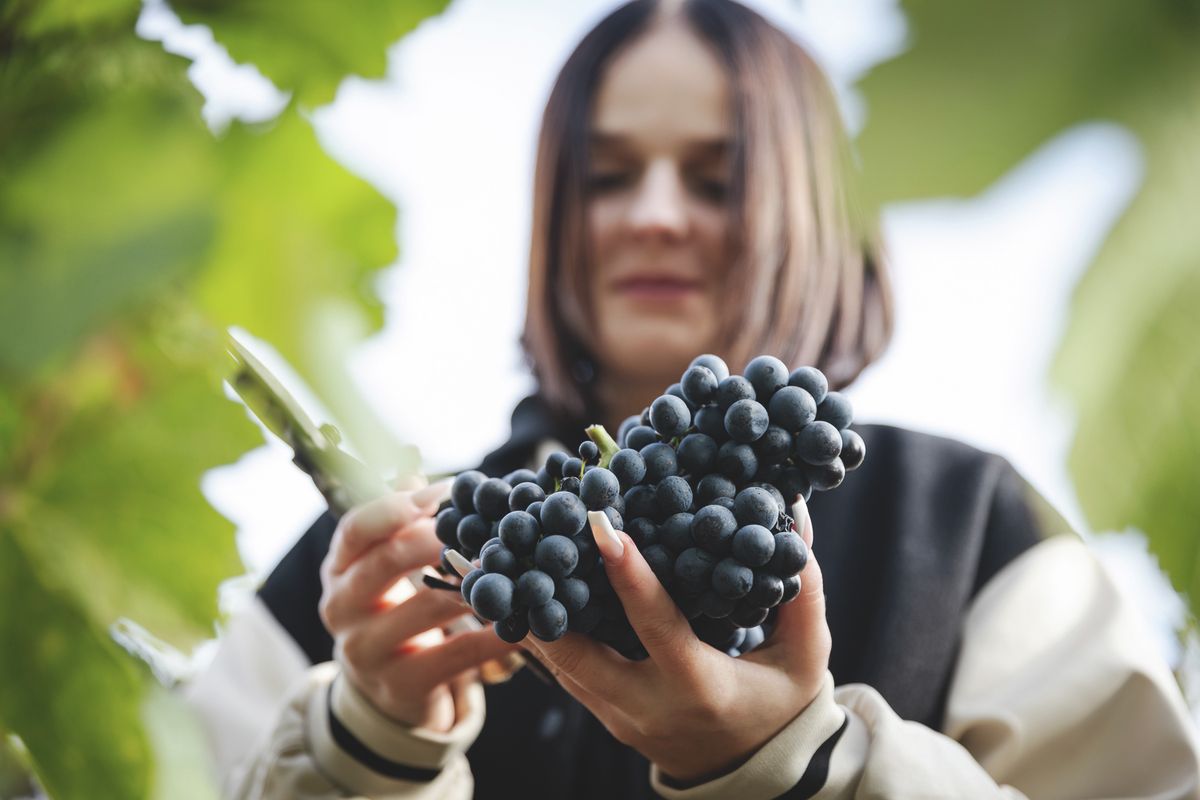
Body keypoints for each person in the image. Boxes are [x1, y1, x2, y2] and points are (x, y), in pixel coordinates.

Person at [185, 1, 1200, 797]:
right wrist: (362, 750)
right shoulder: (394, 562)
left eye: (717, 179)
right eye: (610, 175)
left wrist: (811, 768)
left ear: (813, 209)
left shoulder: (972, 523)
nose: (658, 215)